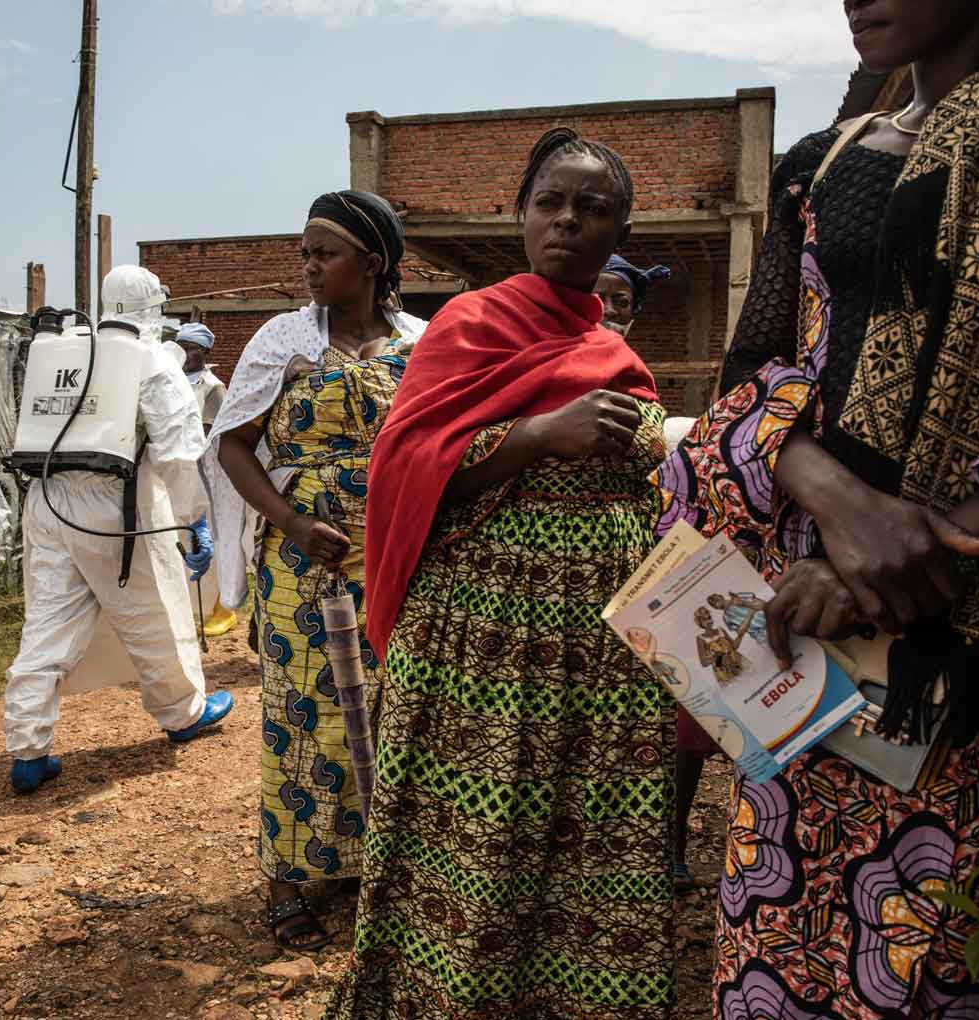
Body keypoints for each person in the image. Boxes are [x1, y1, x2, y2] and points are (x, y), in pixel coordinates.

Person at [652, 2, 979, 1015]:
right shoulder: (819, 166)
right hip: (809, 641)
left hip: (951, 643)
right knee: (786, 937)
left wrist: (918, 544)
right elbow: (752, 372)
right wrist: (837, 500)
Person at [331, 128, 673, 1020]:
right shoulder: (472, 323)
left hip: (603, 644)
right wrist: (532, 436)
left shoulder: (612, 346)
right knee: (486, 827)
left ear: (618, 227)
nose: (568, 221)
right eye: (550, 203)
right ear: (521, 215)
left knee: (589, 824)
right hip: (485, 638)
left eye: (592, 208)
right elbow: (403, 464)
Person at [205, 190, 427, 952]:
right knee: (302, 713)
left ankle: (371, 864)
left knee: (392, 709)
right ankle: (291, 876)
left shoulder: (422, 344)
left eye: (322, 254)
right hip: (302, 562)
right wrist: (294, 522)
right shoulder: (282, 341)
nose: (307, 267)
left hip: (396, 555)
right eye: (303, 252)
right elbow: (232, 445)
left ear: (371, 264)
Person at [2, 267, 234, 795]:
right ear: (153, 305)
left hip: (46, 498)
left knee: (46, 624)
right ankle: (184, 713)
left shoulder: (65, 348)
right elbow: (179, 452)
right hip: (119, 506)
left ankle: (27, 748)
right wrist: (194, 520)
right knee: (155, 614)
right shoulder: (152, 358)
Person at [596, 252, 713, 887]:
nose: (612, 310)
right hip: (583, 569)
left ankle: (666, 846)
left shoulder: (641, 388)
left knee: (680, 715)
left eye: (623, 302)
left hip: (653, 565)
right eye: (601, 296)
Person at [174, 321, 237, 637]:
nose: (186, 355)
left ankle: (221, 607)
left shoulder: (212, 387)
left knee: (210, 533)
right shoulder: (168, 380)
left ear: (205, 353)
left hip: (203, 470)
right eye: (181, 348)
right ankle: (187, 607)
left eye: (192, 350)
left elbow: (213, 433)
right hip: (176, 469)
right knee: (181, 535)